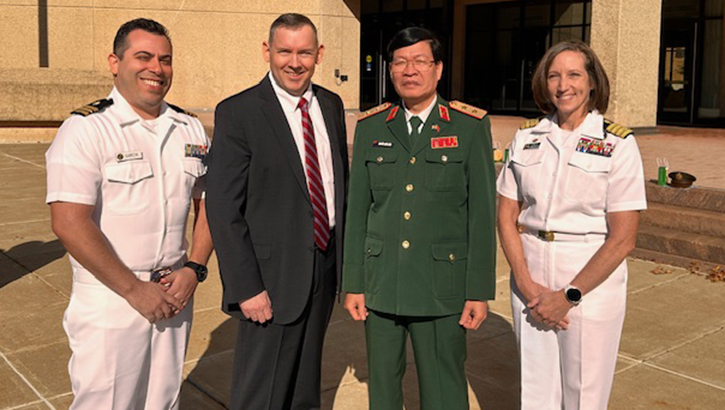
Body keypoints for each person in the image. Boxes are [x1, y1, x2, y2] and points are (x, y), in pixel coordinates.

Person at [46, 18, 213, 409]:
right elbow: (69, 221)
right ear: (114, 62)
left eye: (165, 59)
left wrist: (195, 268)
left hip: (175, 293)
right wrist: (133, 289)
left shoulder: (189, 128)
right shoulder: (87, 129)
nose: (156, 68)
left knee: (163, 401)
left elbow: (209, 205)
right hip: (112, 298)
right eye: (143, 57)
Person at [342, 27, 496, 409]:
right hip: (382, 285)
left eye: (420, 61)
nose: (410, 70)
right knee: (383, 390)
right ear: (390, 70)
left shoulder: (469, 126)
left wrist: (478, 290)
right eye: (400, 62)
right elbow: (357, 211)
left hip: (441, 287)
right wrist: (354, 283)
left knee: (444, 390)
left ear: (438, 69)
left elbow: (481, 215)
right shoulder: (371, 127)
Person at [205, 13, 348, 409]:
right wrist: (245, 286)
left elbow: (339, 186)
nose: (294, 62)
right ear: (267, 51)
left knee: (305, 389)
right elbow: (222, 208)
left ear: (319, 54)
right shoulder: (239, 112)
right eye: (284, 51)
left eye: (304, 52)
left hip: (322, 268)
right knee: (262, 394)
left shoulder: (331, 106)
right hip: (269, 280)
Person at [496, 40, 647, 410]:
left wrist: (569, 296)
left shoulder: (617, 143)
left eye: (574, 74)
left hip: (589, 278)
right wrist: (525, 280)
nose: (564, 85)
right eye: (554, 76)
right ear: (544, 84)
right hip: (530, 273)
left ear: (592, 81)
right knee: (536, 389)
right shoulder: (527, 136)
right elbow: (506, 214)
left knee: (584, 394)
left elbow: (623, 239)